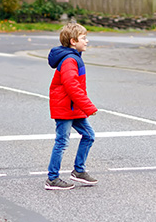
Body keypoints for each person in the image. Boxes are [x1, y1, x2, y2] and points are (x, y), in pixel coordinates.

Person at [44, 22, 98, 190]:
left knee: (89, 135)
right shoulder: (69, 60)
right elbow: (71, 86)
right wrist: (88, 106)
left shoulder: (74, 57)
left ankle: (79, 171)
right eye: (84, 38)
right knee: (62, 142)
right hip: (66, 108)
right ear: (73, 41)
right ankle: (52, 179)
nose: (87, 41)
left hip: (73, 108)